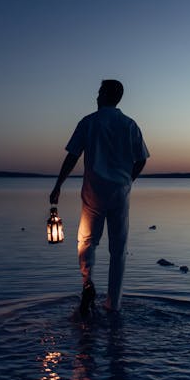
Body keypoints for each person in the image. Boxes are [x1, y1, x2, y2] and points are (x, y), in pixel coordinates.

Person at [50, 79, 150, 315]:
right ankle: (113, 305)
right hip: (120, 193)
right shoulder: (129, 125)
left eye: (98, 93)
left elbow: (72, 156)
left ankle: (88, 282)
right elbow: (142, 159)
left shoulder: (89, 122)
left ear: (105, 95)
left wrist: (58, 185)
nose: (96, 97)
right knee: (118, 249)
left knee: (86, 241)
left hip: (94, 193)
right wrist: (128, 180)